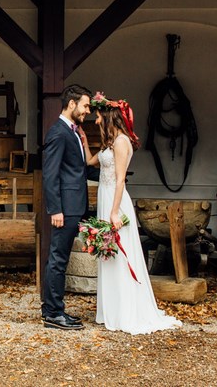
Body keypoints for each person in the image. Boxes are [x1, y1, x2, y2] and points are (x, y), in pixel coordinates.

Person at [80, 93, 182, 335]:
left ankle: (126, 310)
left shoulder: (122, 142)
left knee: (121, 255)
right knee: (109, 255)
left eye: (97, 118)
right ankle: (111, 310)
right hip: (105, 200)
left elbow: (120, 181)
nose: (95, 122)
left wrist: (114, 212)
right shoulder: (108, 143)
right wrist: (84, 140)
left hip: (116, 202)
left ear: (108, 118)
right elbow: (90, 161)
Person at [41, 84, 92, 330]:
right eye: (85, 106)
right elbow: (50, 174)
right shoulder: (58, 133)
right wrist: (55, 209)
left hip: (74, 205)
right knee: (58, 259)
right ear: (71, 104)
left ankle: (54, 309)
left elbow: (77, 169)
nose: (87, 111)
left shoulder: (72, 131)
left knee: (60, 258)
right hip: (65, 208)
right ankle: (53, 313)